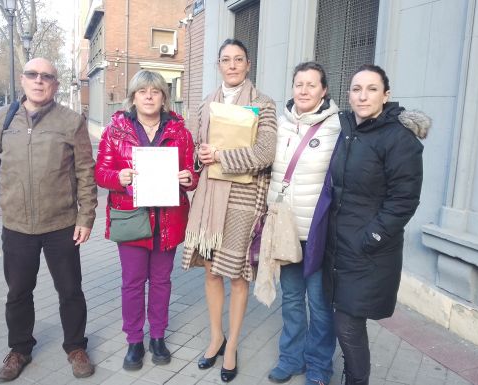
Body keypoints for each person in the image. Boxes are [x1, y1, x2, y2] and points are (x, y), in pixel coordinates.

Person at [0, 57, 98, 382]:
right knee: (18, 292)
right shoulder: (2, 119)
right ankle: (20, 349)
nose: (39, 81)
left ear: (55, 83)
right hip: (17, 225)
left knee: (70, 290)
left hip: (62, 224)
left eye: (47, 76)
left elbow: (85, 171)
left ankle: (75, 347)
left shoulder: (71, 120)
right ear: (24, 80)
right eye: (32, 75)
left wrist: (86, 216)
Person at [323, 64, 427, 385]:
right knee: (345, 321)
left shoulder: (398, 138)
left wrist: (373, 236)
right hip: (341, 246)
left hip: (368, 250)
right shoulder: (348, 131)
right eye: (356, 89)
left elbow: (404, 199)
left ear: (386, 95)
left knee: (348, 324)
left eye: (371, 89)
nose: (363, 95)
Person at [181, 38, 277, 383]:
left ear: (248, 65)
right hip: (208, 199)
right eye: (226, 60)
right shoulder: (206, 104)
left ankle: (233, 343)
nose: (232, 65)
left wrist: (221, 157)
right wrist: (198, 157)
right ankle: (215, 337)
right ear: (219, 65)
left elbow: (265, 153)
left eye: (239, 59)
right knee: (211, 272)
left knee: (236, 274)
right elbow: (193, 151)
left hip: (242, 200)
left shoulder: (264, 104)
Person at [94, 70, 198, 371]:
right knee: (132, 283)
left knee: (162, 282)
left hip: (168, 218)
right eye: (143, 91)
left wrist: (189, 177)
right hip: (132, 218)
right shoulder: (116, 132)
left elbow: (193, 174)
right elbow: (101, 174)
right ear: (134, 97)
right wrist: (119, 177)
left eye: (155, 91)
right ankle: (134, 340)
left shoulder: (180, 132)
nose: (149, 96)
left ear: (164, 97)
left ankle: (158, 337)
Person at [266, 62, 339, 385]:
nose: (304, 90)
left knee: (320, 304)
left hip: (319, 233)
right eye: (299, 84)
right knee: (293, 299)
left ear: (324, 90)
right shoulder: (279, 125)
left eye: (312, 85)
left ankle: (320, 366)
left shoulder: (337, 126)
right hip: (286, 230)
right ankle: (291, 358)